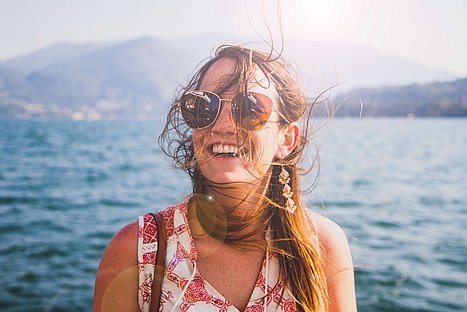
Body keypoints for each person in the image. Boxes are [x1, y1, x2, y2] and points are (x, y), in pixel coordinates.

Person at [93, 45, 356, 312]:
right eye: (205, 106)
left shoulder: (321, 246)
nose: (222, 125)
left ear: (286, 139)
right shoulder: (138, 250)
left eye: (250, 108)